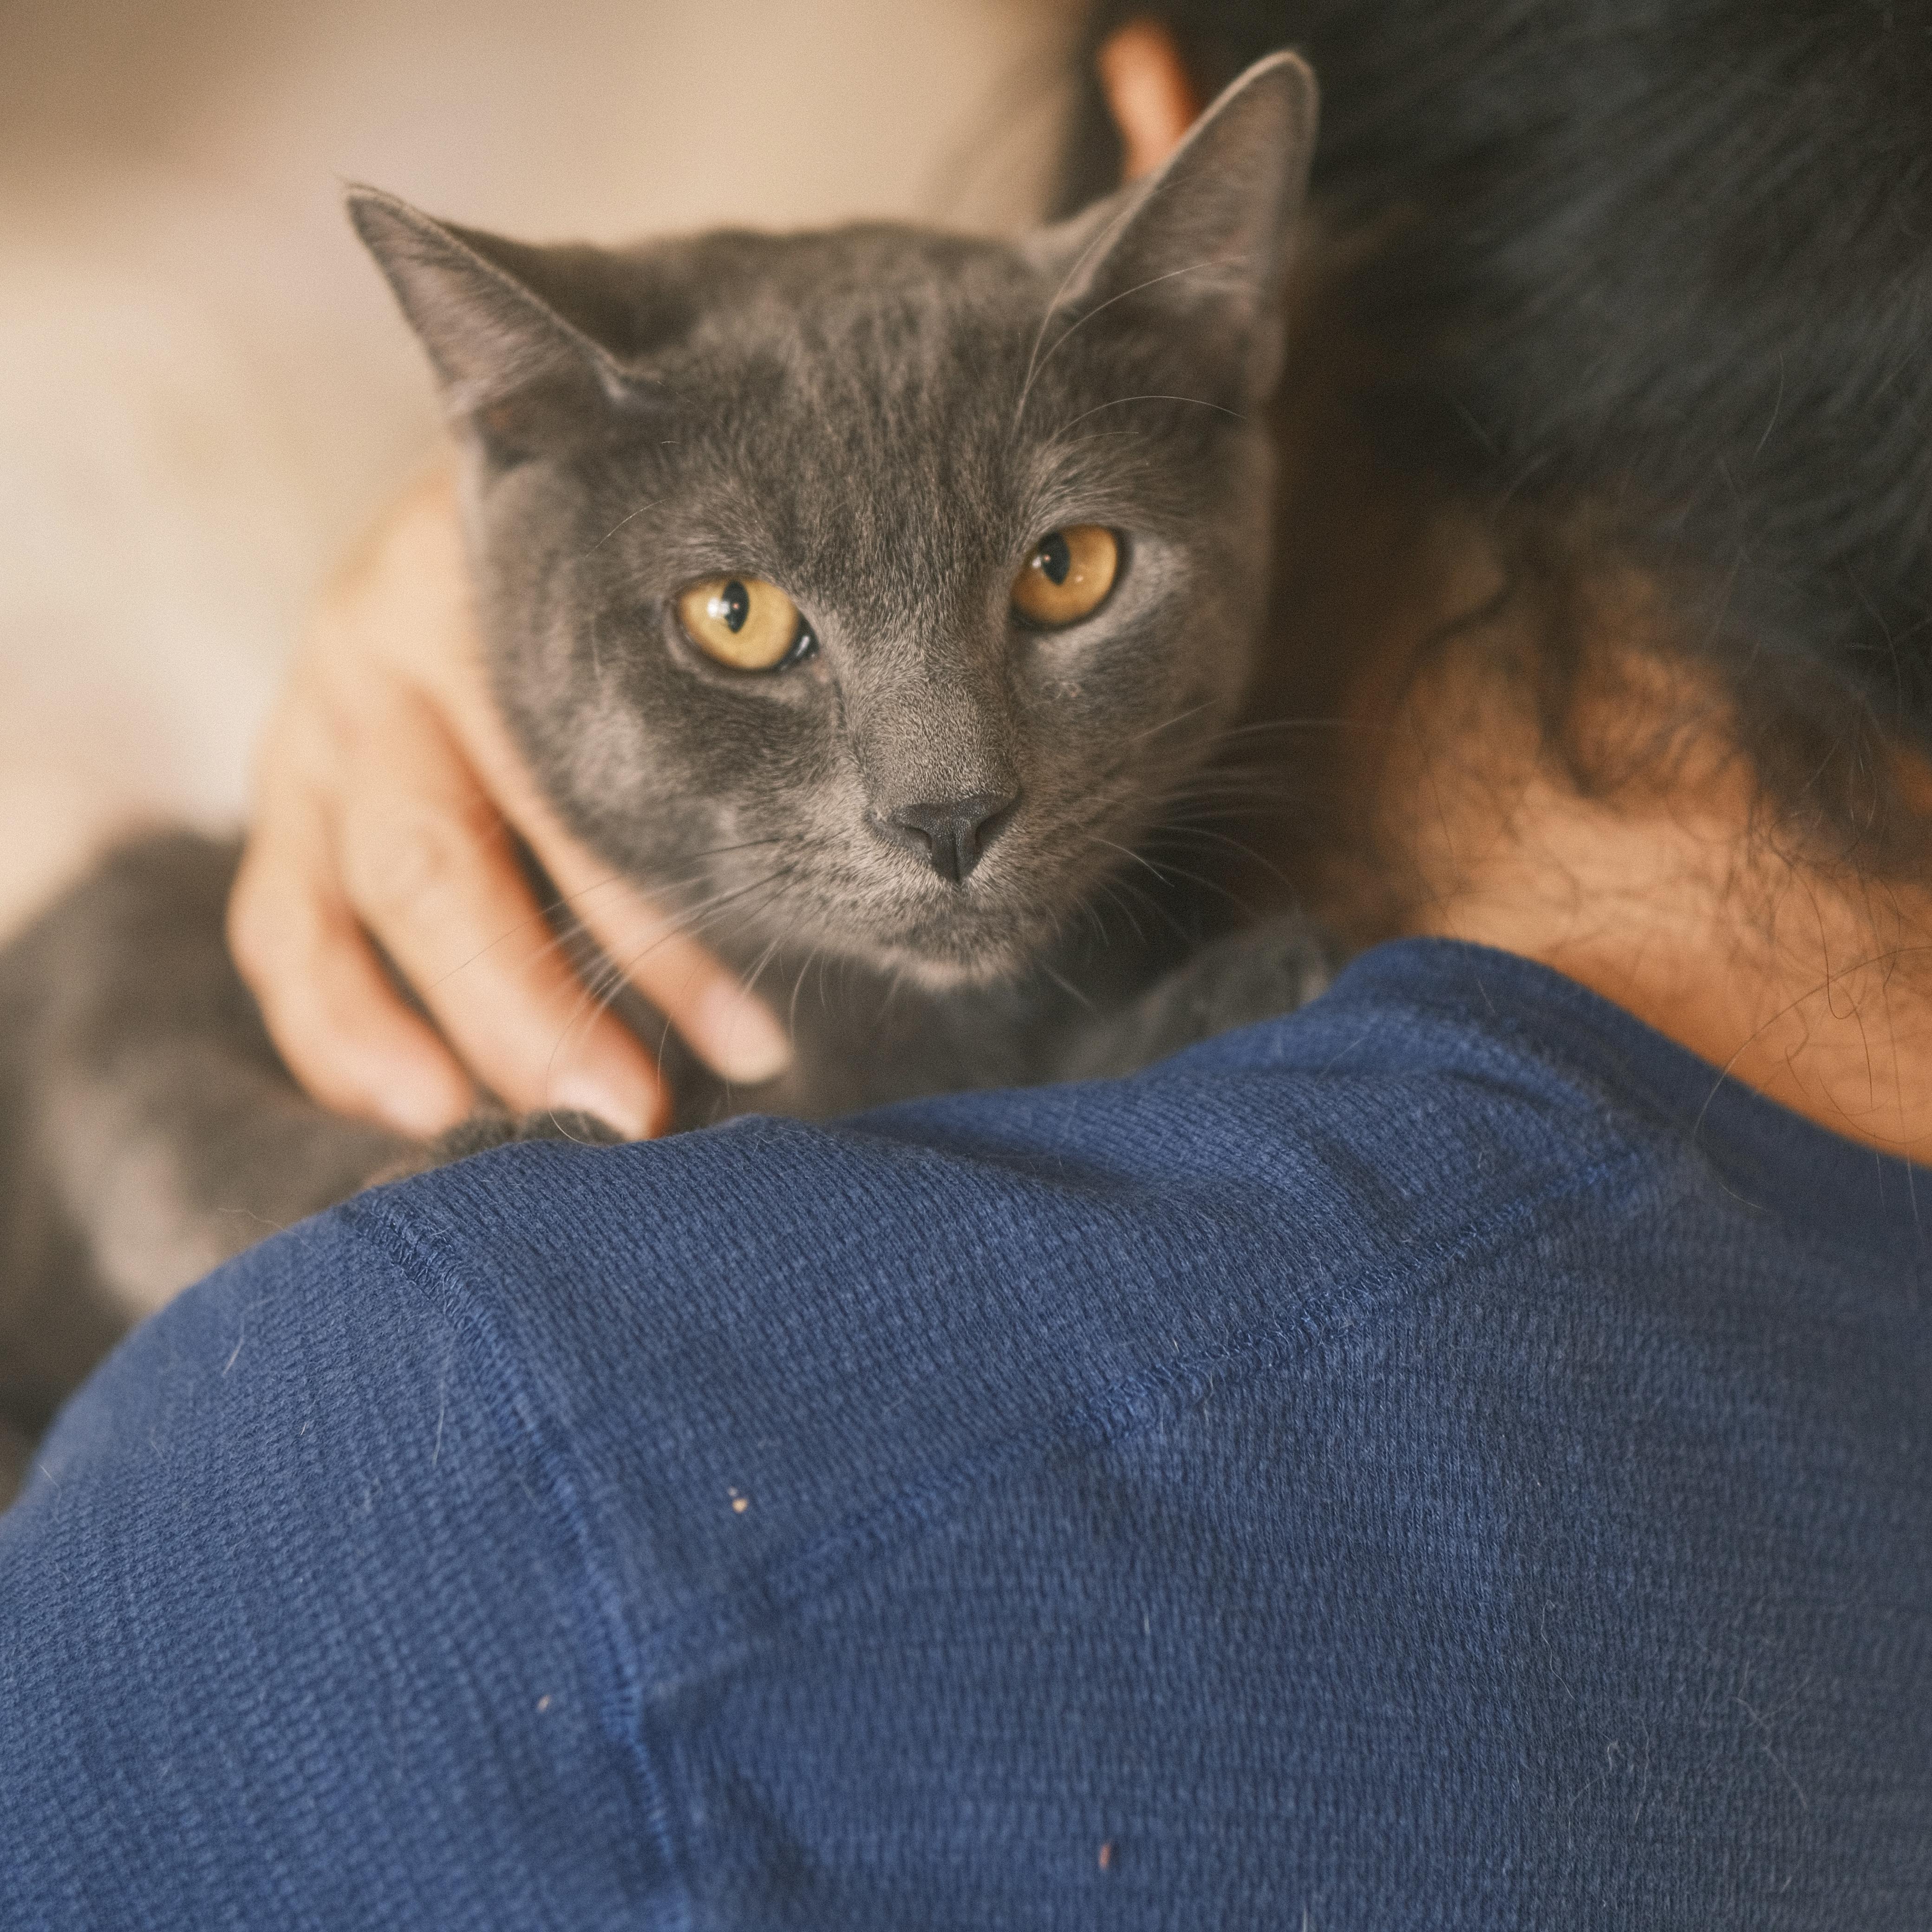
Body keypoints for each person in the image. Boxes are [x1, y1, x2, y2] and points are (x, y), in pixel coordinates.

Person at [4, 4, 1930, 1922]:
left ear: (1220, 268)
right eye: (746, 617)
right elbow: (99, 1005)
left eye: (1058, 582)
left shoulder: (489, 1470)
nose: (946, 797)